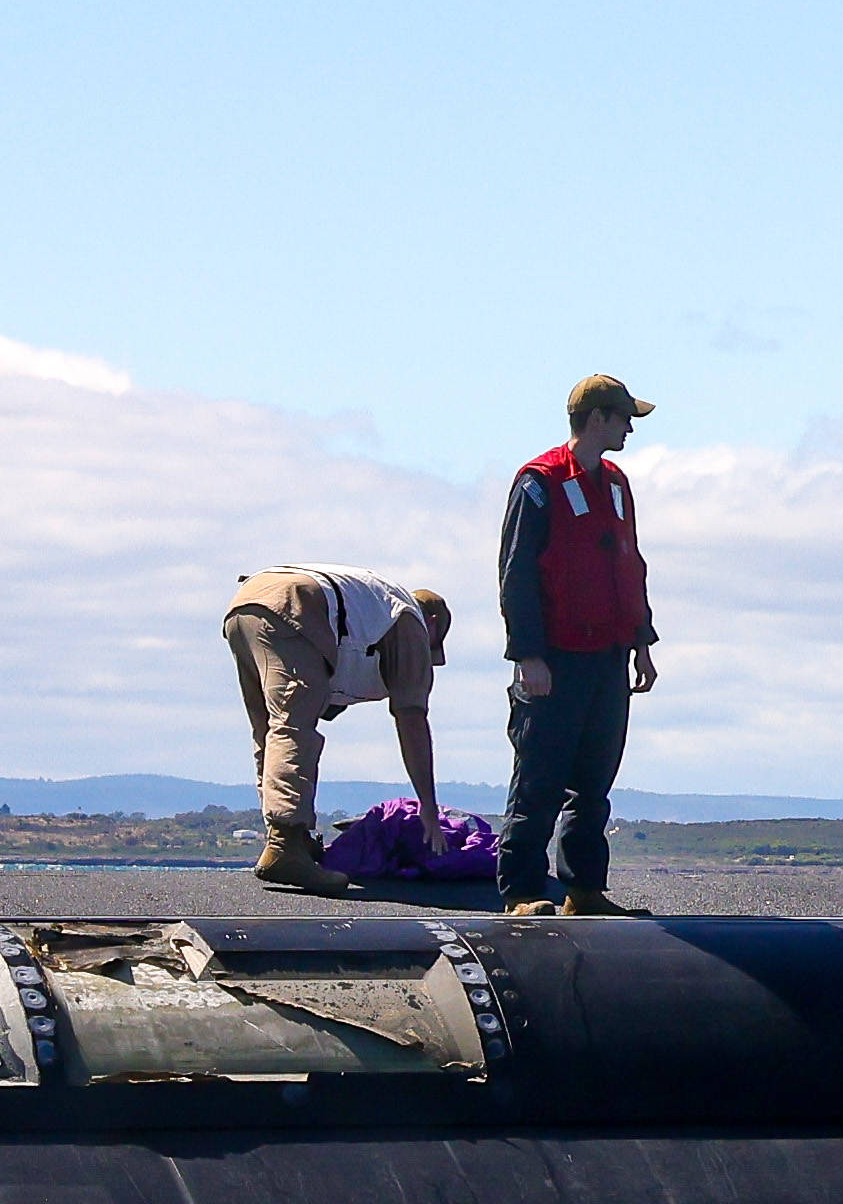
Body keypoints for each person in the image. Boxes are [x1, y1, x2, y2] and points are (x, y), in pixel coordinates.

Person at [497, 372, 664, 920]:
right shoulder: (538, 482)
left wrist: (642, 640)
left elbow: (628, 565)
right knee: (540, 777)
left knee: (594, 780)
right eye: (624, 420)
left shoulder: (615, 483)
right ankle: (521, 891)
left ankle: (584, 889)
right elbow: (516, 572)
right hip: (556, 657)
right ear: (598, 419)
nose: (629, 431)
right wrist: (528, 655)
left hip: (608, 654)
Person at [216, 563, 457, 895]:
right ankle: (286, 845)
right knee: (292, 726)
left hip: (247, 604)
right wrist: (428, 808)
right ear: (432, 625)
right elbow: (412, 720)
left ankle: (292, 840)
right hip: (296, 604)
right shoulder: (409, 620)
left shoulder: (374, 607)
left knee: (269, 732)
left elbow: (330, 698)